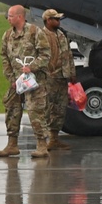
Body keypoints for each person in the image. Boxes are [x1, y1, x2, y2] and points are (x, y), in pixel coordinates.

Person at [0, 5, 45, 158]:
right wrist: (11, 78)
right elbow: (4, 57)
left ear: (19, 16)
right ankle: (12, 144)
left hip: (33, 81)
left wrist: (32, 67)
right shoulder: (7, 35)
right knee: (11, 109)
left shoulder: (34, 32)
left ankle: (42, 145)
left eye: (11, 16)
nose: (8, 18)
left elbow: (46, 54)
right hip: (16, 81)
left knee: (35, 111)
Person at [33, 9, 76, 153]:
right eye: (55, 19)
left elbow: (68, 55)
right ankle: (42, 141)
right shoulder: (41, 35)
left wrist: (72, 73)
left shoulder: (61, 35)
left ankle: (54, 139)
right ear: (48, 21)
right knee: (46, 109)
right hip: (48, 79)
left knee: (60, 109)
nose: (58, 22)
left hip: (62, 78)